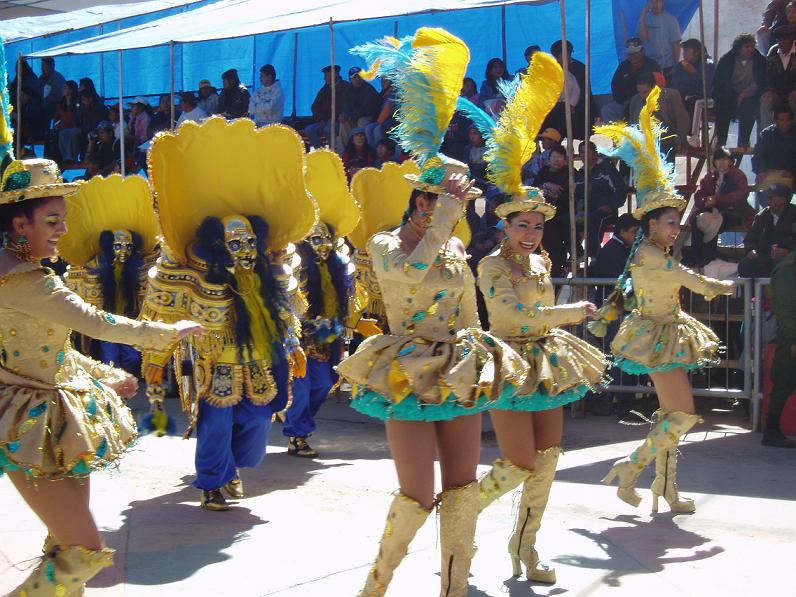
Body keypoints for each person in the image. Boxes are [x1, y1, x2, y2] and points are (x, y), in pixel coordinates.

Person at [343, 28, 525, 596]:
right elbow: (412, 271)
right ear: (417, 200)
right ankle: (377, 585)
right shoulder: (384, 244)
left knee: (463, 488)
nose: (448, 210)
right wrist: (448, 214)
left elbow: (469, 311)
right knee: (418, 494)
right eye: (439, 201)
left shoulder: (454, 245)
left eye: (454, 202)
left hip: (459, 367)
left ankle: (455, 587)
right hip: (406, 370)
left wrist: (487, 355)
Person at [0, 149, 202, 594]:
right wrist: (165, 332)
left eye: (63, 220)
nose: (63, 231)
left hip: (55, 416)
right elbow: (96, 322)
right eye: (52, 221)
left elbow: (48, 348)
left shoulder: (22, 273)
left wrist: (102, 372)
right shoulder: (25, 282)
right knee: (82, 552)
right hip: (29, 425)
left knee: (65, 546)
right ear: (20, 224)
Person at [462, 52, 608, 585]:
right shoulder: (490, 265)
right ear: (505, 226)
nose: (531, 234)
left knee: (548, 460)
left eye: (537, 226)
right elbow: (513, 314)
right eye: (522, 225)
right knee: (518, 463)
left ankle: (525, 548)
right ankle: (459, 521)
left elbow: (538, 315)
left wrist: (562, 316)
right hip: (508, 362)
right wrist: (572, 311)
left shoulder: (543, 262)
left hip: (547, 362)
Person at [141, 118, 309, 512]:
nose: (245, 250)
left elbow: (284, 314)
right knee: (216, 425)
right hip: (215, 365)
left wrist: (293, 346)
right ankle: (212, 483)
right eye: (235, 243)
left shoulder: (268, 276)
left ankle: (230, 467)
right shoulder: (194, 277)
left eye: (250, 242)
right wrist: (157, 360)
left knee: (258, 423)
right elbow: (166, 316)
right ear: (218, 246)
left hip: (258, 363)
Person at [592, 87, 736, 514]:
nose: (676, 229)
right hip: (657, 336)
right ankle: (631, 467)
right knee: (683, 414)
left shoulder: (652, 250)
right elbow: (688, 279)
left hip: (665, 331)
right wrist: (721, 287)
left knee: (673, 414)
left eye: (677, 223)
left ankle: (665, 486)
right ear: (652, 224)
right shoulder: (652, 255)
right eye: (671, 223)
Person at [59, 174, 172, 435]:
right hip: (106, 324)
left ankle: (123, 389)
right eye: (118, 245)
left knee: (132, 357)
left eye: (127, 246)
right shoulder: (96, 265)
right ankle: (115, 399)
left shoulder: (140, 269)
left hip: (130, 324)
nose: (122, 250)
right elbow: (79, 281)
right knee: (109, 359)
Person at [284, 150, 379, 457]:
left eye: (326, 239)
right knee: (301, 388)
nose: (322, 245)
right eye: (315, 239)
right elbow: (284, 303)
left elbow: (347, 302)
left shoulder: (339, 268)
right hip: (298, 339)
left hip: (327, 340)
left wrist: (357, 322)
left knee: (324, 384)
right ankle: (298, 433)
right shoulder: (293, 268)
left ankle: (300, 424)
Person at [688, 146, 753, 267]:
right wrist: (706, 201)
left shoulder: (738, 175)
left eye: (725, 159)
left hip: (734, 211)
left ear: (730, 161)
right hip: (712, 211)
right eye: (718, 159)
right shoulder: (709, 176)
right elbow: (699, 195)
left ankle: (706, 260)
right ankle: (700, 258)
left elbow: (741, 194)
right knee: (697, 221)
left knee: (714, 222)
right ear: (714, 162)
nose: (721, 162)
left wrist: (718, 200)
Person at [713, 33, 767, 148]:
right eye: (747, 47)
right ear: (739, 48)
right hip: (729, 93)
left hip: (750, 94)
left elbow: (759, 81)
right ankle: (721, 141)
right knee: (722, 103)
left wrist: (744, 94)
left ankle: (743, 141)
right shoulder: (727, 60)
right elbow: (721, 81)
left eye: (752, 46)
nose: (750, 49)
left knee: (749, 107)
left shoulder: (760, 60)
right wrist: (734, 95)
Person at [575, 141, 628, 257]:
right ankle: (577, 254)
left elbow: (620, 190)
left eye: (587, 151)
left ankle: (594, 257)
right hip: (585, 211)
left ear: (595, 153)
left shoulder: (607, 169)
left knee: (594, 218)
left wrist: (611, 206)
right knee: (565, 219)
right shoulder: (580, 173)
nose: (584, 155)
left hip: (606, 210)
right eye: (581, 152)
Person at [766, 243, 796, 446]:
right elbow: (785, 308)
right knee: (784, 382)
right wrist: (794, 339)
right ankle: (772, 430)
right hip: (791, 335)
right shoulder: (788, 269)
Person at [738, 183, 796, 277]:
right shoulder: (762, 216)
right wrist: (751, 250)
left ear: (783, 199)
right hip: (765, 257)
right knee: (745, 265)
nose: (769, 200)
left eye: (772, 197)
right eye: (769, 197)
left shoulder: (794, 215)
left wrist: (787, 252)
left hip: (789, 259)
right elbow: (750, 239)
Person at [628, 76, 689, 161]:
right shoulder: (636, 100)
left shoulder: (670, 96)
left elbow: (682, 119)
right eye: (640, 92)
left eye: (645, 92)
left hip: (668, 139)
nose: (642, 95)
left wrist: (679, 140)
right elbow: (633, 122)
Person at [602, 38, 662, 123]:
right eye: (630, 54)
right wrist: (622, 100)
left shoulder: (652, 65)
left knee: (638, 109)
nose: (632, 56)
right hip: (625, 102)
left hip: (645, 101)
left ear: (642, 51)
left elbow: (659, 86)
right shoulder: (623, 66)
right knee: (607, 110)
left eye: (635, 53)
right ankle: (617, 130)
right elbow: (615, 85)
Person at [533, 144, 571, 276]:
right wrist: (546, 185)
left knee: (556, 242)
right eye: (554, 157)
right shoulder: (543, 172)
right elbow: (534, 190)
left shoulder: (568, 172)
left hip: (561, 212)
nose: (556, 160)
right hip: (542, 213)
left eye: (559, 157)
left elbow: (564, 193)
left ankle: (558, 268)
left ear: (564, 160)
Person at [761, 24, 796, 132]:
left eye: (785, 39)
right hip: (778, 91)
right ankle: (767, 134)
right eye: (779, 40)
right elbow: (768, 74)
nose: (782, 43)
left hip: (793, 92)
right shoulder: (773, 51)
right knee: (765, 100)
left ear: (792, 39)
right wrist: (770, 90)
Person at [304, 65, 348, 149]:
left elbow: (348, 107)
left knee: (329, 129)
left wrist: (337, 117)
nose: (324, 78)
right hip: (326, 121)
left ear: (335, 75)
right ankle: (322, 152)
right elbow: (315, 106)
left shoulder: (346, 87)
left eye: (327, 75)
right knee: (309, 130)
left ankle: (334, 152)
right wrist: (321, 119)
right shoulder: (325, 89)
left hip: (341, 122)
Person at [753, 104, 796, 188]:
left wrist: (792, 171)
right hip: (769, 174)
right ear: (775, 120)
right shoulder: (766, 134)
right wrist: (761, 171)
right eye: (782, 120)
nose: (785, 123)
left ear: (792, 119)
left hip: (792, 176)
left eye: (788, 120)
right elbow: (758, 155)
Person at [59, 89, 108, 164]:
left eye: (84, 100)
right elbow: (76, 119)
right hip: (82, 129)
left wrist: (82, 129)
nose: (82, 102)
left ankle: (71, 158)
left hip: (95, 131)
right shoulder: (83, 108)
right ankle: (65, 157)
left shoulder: (100, 108)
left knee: (74, 133)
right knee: (63, 133)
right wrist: (77, 127)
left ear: (90, 99)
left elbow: (97, 125)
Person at [338, 66, 382, 148]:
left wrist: (350, 116)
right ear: (350, 79)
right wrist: (345, 115)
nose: (357, 79)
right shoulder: (348, 90)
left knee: (362, 122)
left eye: (359, 77)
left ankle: (363, 149)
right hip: (354, 117)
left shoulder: (369, 89)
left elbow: (367, 110)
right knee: (344, 124)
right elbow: (345, 106)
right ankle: (345, 151)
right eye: (354, 77)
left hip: (369, 117)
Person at [670, 38, 715, 117]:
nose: (684, 54)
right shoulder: (681, 65)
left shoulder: (708, 64)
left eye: (687, 51)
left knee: (690, 104)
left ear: (696, 53)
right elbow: (675, 83)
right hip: (684, 96)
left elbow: (707, 86)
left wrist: (694, 73)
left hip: (703, 99)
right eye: (684, 51)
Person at [638, 0, 682, 77]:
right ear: (648, 4)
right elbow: (643, 38)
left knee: (665, 85)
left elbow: (676, 45)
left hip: (667, 66)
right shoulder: (644, 19)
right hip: (648, 65)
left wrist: (675, 66)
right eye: (652, 2)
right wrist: (643, 14)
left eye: (657, 1)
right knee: (650, 85)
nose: (655, 4)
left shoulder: (671, 20)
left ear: (663, 3)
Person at [364, 77, 396, 149]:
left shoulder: (394, 92)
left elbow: (387, 109)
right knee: (368, 128)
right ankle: (373, 151)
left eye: (386, 80)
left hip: (393, 120)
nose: (383, 82)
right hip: (384, 119)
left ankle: (381, 151)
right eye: (382, 79)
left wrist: (378, 122)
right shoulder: (383, 92)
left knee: (377, 129)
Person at [38, 57, 66, 128]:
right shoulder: (41, 78)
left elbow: (57, 96)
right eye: (41, 66)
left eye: (44, 66)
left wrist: (43, 105)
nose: (41, 68)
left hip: (53, 108)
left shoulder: (58, 79)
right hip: (42, 107)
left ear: (51, 66)